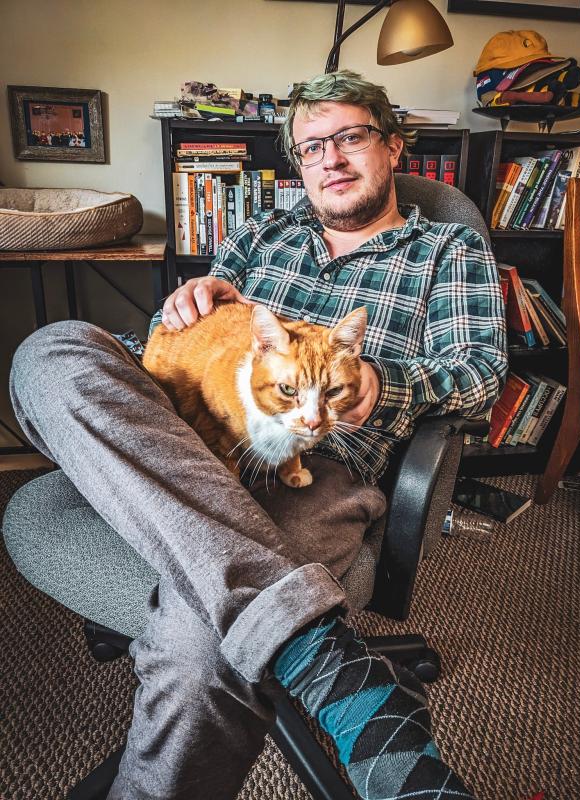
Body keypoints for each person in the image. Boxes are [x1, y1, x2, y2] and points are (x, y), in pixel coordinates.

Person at [10, 70, 507, 800]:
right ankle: (315, 648)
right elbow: (190, 344)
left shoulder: (446, 251)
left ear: (393, 146)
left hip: (317, 464)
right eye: (311, 148)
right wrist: (186, 306)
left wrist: (381, 386)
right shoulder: (262, 233)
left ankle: (268, 638)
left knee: (202, 640)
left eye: (349, 137)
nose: (330, 159)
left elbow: (482, 373)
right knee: (52, 350)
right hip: (191, 428)